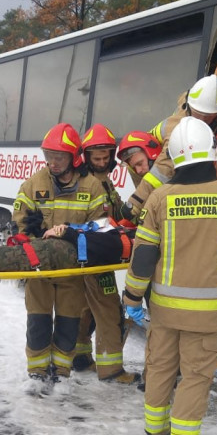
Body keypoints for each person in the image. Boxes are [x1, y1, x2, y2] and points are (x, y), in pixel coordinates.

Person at [122, 117, 217, 435]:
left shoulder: (159, 199)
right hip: (206, 314)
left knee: (160, 368)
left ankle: (155, 433)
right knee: (195, 377)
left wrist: (132, 298)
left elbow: (143, 256)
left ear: (173, 156)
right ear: (212, 153)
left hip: (164, 310)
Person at [12, 123, 106, 382]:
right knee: (38, 322)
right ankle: (38, 371)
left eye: (59, 157)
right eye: (49, 156)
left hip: (71, 271)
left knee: (68, 322)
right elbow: (19, 222)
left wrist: (76, 236)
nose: (52, 162)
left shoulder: (92, 187)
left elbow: (100, 227)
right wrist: (29, 239)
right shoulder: (34, 184)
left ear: (74, 157)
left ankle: (62, 372)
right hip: (39, 269)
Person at [71, 123, 140, 384]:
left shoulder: (103, 181)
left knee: (85, 308)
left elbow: (118, 210)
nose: (101, 162)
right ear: (85, 156)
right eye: (95, 158)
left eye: (105, 157)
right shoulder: (91, 184)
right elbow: (99, 222)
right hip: (97, 257)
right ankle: (112, 371)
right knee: (110, 312)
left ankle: (79, 358)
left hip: (89, 256)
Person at [121, 75, 217, 223]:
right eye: (199, 115)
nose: (202, 121)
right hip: (152, 161)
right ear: (190, 106)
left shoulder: (190, 100)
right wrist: (134, 203)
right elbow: (161, 171)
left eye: (209, 117)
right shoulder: (180, 131)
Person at [0, 217, 135, 273]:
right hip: (52, 249)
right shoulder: (120, 231)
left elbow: (98, 245)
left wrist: (67, 231)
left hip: (53, 254)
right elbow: (88, 230)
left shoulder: (128, 244)